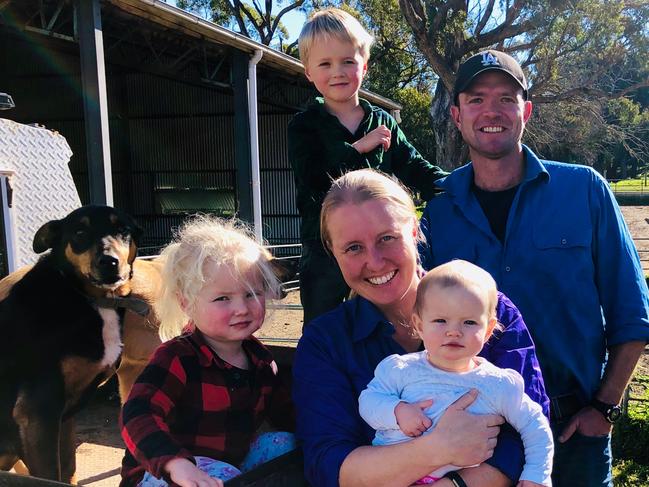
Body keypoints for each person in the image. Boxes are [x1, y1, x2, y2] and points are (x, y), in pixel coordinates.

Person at [419, 49, 649, 487]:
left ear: (525, 111)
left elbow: (632, 313)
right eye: (476, 99)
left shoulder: (584, 190)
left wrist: (603, 407)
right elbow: (413, 314)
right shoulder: (440, 208)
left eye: (506, 98)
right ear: (456, 115)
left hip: (573, 430)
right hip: (477, 439)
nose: (492, 111)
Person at [293, 169, 549, 487]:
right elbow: (329, 463)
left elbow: (528, 432)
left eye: (387, 238)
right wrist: (435, 449)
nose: (375, 261)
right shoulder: (326, 343)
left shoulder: (489, 310)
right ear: (334, 253)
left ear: (414, 230)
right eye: (353, 248)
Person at [288, 8, 447, 326]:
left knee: (397, 317)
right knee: (323, 323)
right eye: (325, 64)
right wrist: (360, 148)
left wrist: (459, 184)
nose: (338, 72)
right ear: (308, 72)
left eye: (348, 61)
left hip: (381, 244)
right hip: (326, 249)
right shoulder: (304, 126)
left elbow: (413, 166)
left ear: (365, 64)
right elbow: (315, 179)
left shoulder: (382, 121)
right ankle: (322, 374)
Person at [119, 216, 296, 487]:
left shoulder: (261, 361)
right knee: (224, 476)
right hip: (163, 472)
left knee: (287, 443)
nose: (241, 308)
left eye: (251, 294)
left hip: (226, 467)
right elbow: (137, 413)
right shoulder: (177, 358)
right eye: (222, 298)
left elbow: (287, 414)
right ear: (186, 304)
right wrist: (173, 462)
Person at [359, 260, 553, 486]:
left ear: (489, 330)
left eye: (469, 322)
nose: (454, 332)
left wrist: (536, 474)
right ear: (419, 325)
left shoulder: (498, 384)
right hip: (394, 476)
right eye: (440, 321)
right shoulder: (400, 369)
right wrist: (397, 410)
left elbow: (535, 426)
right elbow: (369, 401)